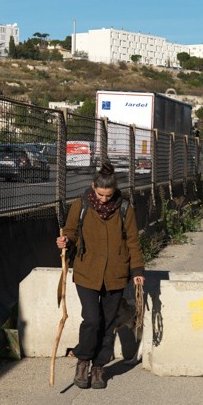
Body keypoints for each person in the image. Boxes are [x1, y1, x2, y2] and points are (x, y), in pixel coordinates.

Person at [55, 162, 145, 389]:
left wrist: (137, 271)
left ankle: (98, 368)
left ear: (114, 191)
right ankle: (83, 361)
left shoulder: (125, 208)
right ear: (93, 187)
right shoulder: (81, 204)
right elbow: (71, 232)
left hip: (115, 273)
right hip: (87, 271)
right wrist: (65, 240)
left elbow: (133, 241)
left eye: (109, 195)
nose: (104, 199)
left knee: (108, 323)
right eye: (101, 194)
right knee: (92, 320)